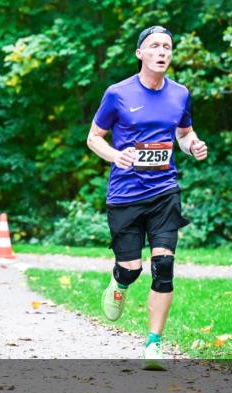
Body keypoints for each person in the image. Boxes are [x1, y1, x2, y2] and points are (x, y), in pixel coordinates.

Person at [86, 25, 208, 371]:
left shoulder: (180, 94)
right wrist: (114, 156)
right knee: (132, 269)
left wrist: (193, 146)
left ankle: (153, 343)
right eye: (154, 46)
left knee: (164, 266)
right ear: (140, 53)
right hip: (125, 194)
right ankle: (120, 281)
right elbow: (94, 137)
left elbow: (184, 134)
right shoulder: (117, 93)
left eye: (167, 46)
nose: (162, 52)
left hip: (164, 191)